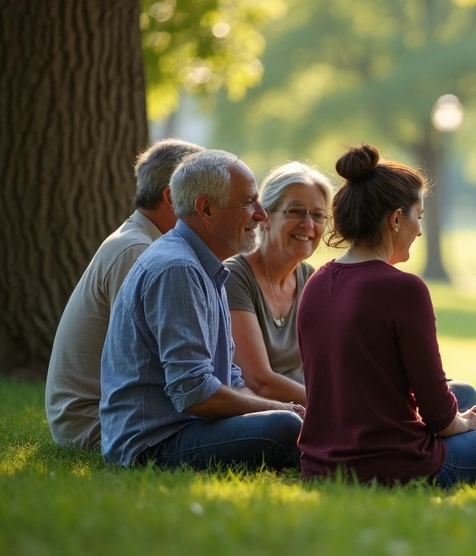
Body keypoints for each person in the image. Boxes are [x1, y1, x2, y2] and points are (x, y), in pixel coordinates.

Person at [296, 143, 476, 487]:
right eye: (418, 216)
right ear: (396, 218)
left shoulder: (316, 282)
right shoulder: (403, 289)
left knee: (468, 397)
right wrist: (464, 423)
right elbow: (437, 414)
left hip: (321, 465)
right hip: (395, 465)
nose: (419, 229)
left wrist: (460, 416)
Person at [99, 150, 304, 469]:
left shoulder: (206, 266)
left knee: (287, 420)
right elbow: (195, 393)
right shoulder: (178, 269)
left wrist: (278, 407)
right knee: (287, 427)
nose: (261, 214)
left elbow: (229, 377)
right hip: (154, 444)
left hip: (186, 428)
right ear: (206, 208)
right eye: (249, 202)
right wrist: (283, 411)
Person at [45, 138, 205, 449]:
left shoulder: (141, 243)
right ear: (173, 197)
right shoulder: (138, 252)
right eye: (206, 195)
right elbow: (150, 360)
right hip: (96, 423)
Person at [225, 162, 334, 405]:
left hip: (310, 411)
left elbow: (330, 366)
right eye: (295, 211)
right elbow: (259, 382)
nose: (308, 224)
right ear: (264, 217)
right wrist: (333, 406)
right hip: (266, 418)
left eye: (318, 215)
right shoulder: (235, 277)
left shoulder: (311, 280)